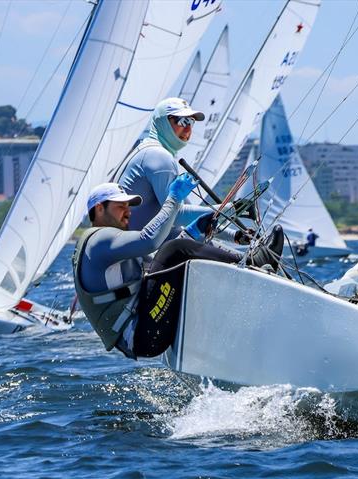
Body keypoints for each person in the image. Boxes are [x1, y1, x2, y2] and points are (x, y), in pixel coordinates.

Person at [73, 181, 283, 359]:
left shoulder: (109, 242)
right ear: (99, 208)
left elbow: (158, 264)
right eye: (120, 206)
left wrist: (193, 232)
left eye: (128, 205)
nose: (128, 211)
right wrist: (173, 199)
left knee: (177, 252)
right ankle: (254, 264)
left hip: (146, 329)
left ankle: (242, 283)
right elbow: (150, 241)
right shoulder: (99, 240)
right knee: (174, 250)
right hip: (142, 335)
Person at [115, 97, 251, 246]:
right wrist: (234, 209)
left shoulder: (153, 152)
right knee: (205, 247)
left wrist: (235, 236)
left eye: (191, 122)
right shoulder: (158, 156)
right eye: (182, 121)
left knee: (208, 245)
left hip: (148, 245)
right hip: (136, 255)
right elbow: (178, 216)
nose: (188, 129)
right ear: (162, 122)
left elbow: (191, 217)